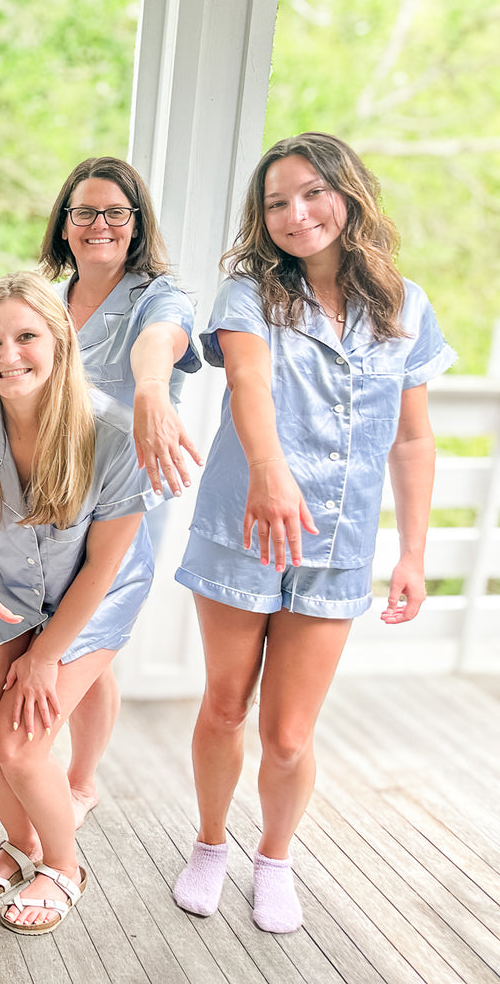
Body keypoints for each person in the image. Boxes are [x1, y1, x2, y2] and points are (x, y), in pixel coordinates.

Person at [172, 132, 453, 933]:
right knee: (226, 706)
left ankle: (275, 858)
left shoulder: (405, 305)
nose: (296, 215)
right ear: (262, 221)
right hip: (244, 527)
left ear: (348, 193)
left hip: (336, 549)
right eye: (276, 203)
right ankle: (210, 844)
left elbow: (413, 439)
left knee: (289, 735)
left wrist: (413, 554)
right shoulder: (248, 292)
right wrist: (269, 470)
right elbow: (251, 381)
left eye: (311, 193)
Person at [0, 271, 157, 934]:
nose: (9, 356)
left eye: (26, 336)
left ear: (58, 340)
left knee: (19, 747)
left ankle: (64, 864)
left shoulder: (111, 433)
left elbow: (105, 566)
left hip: (95, 599)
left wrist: (46, 658)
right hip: (8, 591)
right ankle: (22, 840)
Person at [40, 156, 203, 826]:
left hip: (121, 512)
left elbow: (158, 346)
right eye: (84, 212)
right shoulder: (47, 304)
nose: (99, 224)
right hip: (47, 508)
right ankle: (79, 781)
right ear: (65, 223)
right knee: (83, 648)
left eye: (115, 212)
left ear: (136, 224)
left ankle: (67, 787)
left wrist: (151, 389)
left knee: (84, 644)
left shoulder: (158, 299)